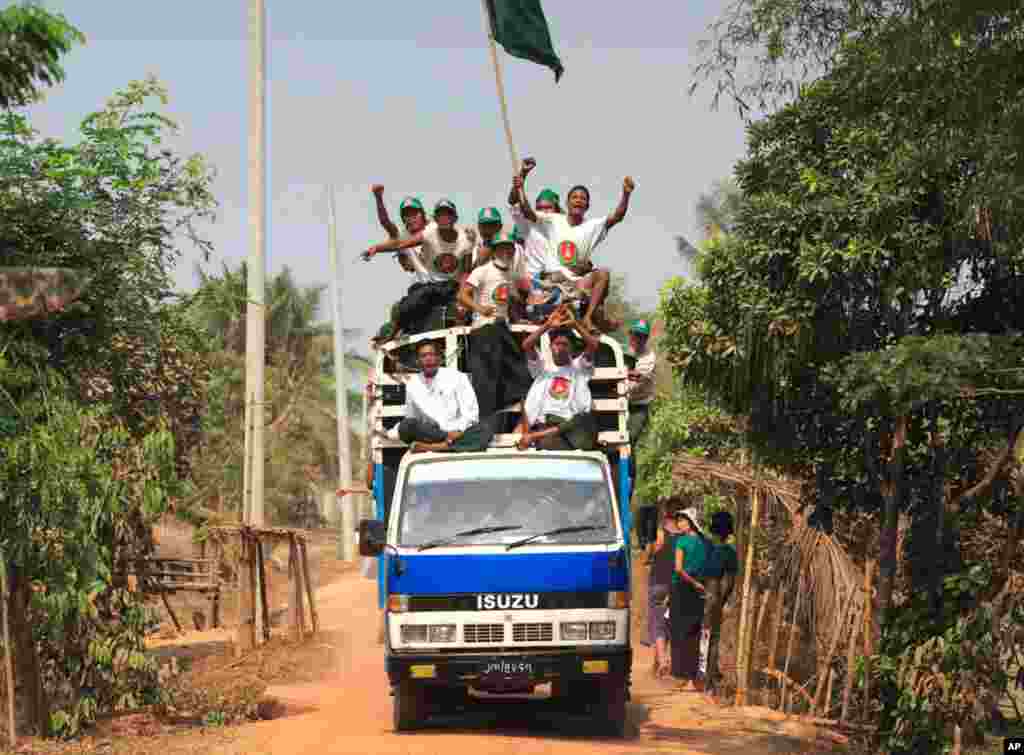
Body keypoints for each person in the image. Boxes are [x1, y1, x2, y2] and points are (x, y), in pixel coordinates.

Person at [513, 159, 635, 333]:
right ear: (567, 203)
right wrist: (522, 182)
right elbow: (527, 211)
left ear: (587, 205)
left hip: (577, 283)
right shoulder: (553, 219)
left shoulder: (593, 226)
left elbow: (617, 216)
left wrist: (626, 194)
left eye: (583, 198)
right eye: (574, 197)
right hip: (551, 280)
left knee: (603, 275)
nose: (578, 200)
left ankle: (588, 318)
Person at [363, 198, 476, 336]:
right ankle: (397, 332)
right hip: (426, 286)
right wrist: (377, 248)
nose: (411, 218)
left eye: (415, 214)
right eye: (407, 215)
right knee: (405, 307)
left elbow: (467, 267)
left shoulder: (439, 229)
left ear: (424, 215)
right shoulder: (408, 235)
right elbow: (391, 232)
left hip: (452, 285)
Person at [458, 230, 534, 419]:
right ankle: (482, 422)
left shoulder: (510, 274)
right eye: (502, 249)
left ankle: (515, 419)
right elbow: (462, 295)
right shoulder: (482, 271)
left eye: (509, 249)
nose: (507, 253)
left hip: (501, 328)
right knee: (486, 379)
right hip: (484, 329)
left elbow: (509, 300)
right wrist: (480, 308)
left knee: (520, 375)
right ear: (494, 251)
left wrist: (518, 318)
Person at [381, 340, 495, 452]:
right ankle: (451, 444)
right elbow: (411, 418)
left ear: (439, 358)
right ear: (417, 361)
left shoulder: (457, 377)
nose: (428, 358)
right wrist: (391, 433)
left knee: (485, 430)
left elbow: (471, 413)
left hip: (459, 431)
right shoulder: (412, 385)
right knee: (406, 426)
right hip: (434, 434)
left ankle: (436, 447)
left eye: (432, 354)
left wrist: (459, 430)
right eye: (423, 355)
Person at [515, 307, 600, 451]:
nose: (561, 347)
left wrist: (575, 325)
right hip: (545, 424)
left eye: (565, 344)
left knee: (554, 441)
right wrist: (547, 324)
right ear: (550, 347)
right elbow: (527, 345)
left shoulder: (579, 368)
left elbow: (593, 345)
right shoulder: (542, 368)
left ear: (572, 349)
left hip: (569, 428)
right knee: (546, 443)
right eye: (557, 344)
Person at [670, 506, 710, 689]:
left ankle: (683, 677)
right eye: (678, 521)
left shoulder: (681, 542)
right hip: (699, 590)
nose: (680, 524)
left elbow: (678, 569)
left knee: (680, 632)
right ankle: (693, 678)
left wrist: (693, 583)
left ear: (692, 522)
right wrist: (700, 585)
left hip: (683, 588)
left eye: (683, 520)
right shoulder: (704, 543)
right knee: (694, 632)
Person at [700, 510, 738, 694]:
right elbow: (729, 582)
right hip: (714, 595)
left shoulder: (706, 546)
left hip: (699, 592)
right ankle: (708, 681)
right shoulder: (729, 553)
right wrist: (721, 602)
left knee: (702, 637)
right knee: (712, 638)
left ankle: (701, 678)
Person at [643, 505, 681, 678]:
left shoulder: (659, 533)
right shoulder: (685, 536)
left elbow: (649, 554)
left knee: (658, 623)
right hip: (677, 584)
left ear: (665, 514)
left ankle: (663, 661)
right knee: (670, 622)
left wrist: (648, 556)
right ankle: (659, 662)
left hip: (658, 582)